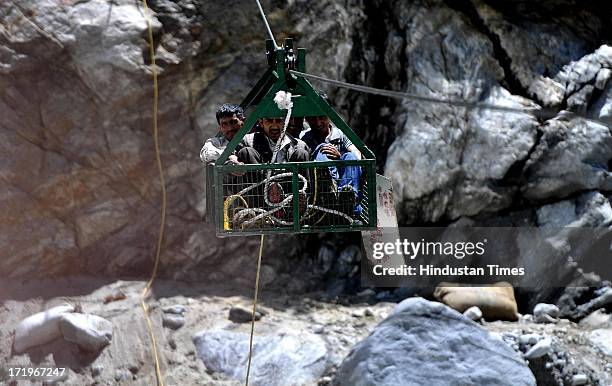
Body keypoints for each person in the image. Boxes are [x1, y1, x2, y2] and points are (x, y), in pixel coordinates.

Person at [301, 113, 363, 216]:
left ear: (329, 117)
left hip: (342, 182)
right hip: (319, 191)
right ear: (307, 120)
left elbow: (357, 156)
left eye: (322, 117)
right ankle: (331, 191)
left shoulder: (340, 134)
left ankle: (348, 198)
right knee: (322, 149)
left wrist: (339, 157)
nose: (318, 123)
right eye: (313, 119)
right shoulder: (305, 137)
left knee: (350, 157)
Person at [235, 117, 310, 164]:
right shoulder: (247, 140)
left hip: (290, 186)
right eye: (269, 120)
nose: (274, 126)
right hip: (260, 186)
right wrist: (231, 159)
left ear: (285, 123)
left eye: (278, 120)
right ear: (261, 123)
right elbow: (227, 154)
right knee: (246, 151)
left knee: (302, 153)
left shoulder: (299, 144)